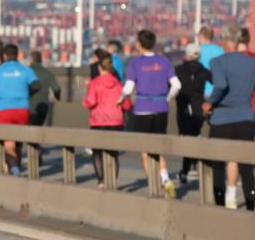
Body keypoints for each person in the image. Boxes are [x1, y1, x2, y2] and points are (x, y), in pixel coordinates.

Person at [203, 33, 255, 210]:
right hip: (245, 119)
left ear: (224, 42)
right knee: (245, 165)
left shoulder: (217, 62)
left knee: (218, 164)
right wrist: (248, 84)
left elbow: (220, 85)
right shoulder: (252, 63)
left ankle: (220, 204)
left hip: (221, 119)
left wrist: (209, 103)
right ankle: (251, 204)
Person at [120, 29, 181, 199]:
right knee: (159, 147)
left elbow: (129, 88)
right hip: (161, 108)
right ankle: (166, 179)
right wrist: (167, 98)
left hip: (142, 109)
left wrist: (120, 98)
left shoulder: (135, 63)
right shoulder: (163, 61)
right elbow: (177, 85)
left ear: (139, 44)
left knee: (145, 150)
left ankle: (153, 182)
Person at [0, 43, 40, 176]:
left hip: (5, 110)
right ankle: (17, 167)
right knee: (18, 143)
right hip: (22, 110)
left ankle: (14, 169)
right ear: (17, 55)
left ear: (4, 56)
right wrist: (27, 92)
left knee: (9, 145)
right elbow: (37, 85)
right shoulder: (25, 70)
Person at [82, 51, 128, 188]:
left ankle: (101, 181)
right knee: (114, 154)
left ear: (99, 68)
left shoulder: (95, 83)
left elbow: (90, 101)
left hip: (98, 121)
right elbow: (127, 104)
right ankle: (113, 181)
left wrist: (84, 102)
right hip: (116, 121)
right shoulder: (119, 84)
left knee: (97, 152)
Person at [174, 43, 212, 186]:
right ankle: (193, 166)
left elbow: (169, 86)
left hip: (183, 108)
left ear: (187, 55)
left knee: (187, 139)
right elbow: (217, 82)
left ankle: (185, 170)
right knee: (194, 135)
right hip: (199, 108)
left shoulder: (178, 70)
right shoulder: (204, 71)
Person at [27, 50, 61, 126]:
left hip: (28, 108)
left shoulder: (26, 71)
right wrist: (57, 97)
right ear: (41, 60)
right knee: (38, 130)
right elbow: (56, 89)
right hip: (43, 109)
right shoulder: (48, 73)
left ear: (31, 60)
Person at [197, 26, 223, 99]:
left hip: (202, 91)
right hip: (218, 91)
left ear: (201, 36)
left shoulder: (198, 51)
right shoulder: (221, 50)